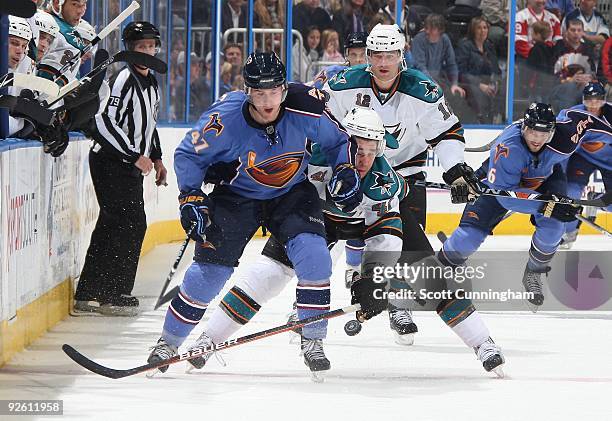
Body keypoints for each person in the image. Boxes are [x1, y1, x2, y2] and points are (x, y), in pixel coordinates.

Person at [147, 52, 361, 380]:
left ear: (284, 90)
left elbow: (337, 142)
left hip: (291, 193)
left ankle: (313, 340)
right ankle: (169, 342)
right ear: (247, 91)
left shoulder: (307, 105)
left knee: (316, 257)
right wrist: (190, 196)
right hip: (236, 197)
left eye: (274, 91)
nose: (267, 101)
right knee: (208, 274)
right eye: (259, 93)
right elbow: (189, 154)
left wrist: (345, 168)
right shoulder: (225, 119)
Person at [322, 25, 505, 370]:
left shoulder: (421, 89)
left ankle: (480, 340)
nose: (383, 62)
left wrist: (454, 169)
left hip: (401, 181)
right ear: (369, 57)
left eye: (390, 55)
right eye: (376, 55)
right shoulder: (344, 85)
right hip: (350, 178)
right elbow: (315, 124)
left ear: (401, 56)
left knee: (421, 265)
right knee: (309, 244)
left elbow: (448, 132)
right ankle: (308, 312)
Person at [181, 107, 406, 378]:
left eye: (373, 151)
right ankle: (209, 339)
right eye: (358, 151)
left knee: (329, 273)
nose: (364, 160)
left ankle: (313, 340)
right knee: (266, 275)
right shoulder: (311, 153)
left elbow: (385, 234)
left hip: (354, 226)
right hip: (307, 218)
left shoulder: (384, 182)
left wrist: (375, 277)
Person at [438, 103, 593, 312]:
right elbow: (507, 199)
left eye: (543, 134)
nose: (536, 139)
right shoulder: (508, 148)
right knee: (468, 238)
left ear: (553, 132)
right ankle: (437, 271)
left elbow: (596, 123)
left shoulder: (567, 134)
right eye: (532, 132)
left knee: (555, 229)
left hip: (545, 178)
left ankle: (534, 272)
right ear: (523, 128)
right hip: (498, 185)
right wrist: (547, 207)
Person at [74, 21, 168, 316]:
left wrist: (156, 157)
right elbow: (102, 122)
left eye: (151, 46)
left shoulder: (151, 81)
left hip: (127, 164)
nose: (147, 51)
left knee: (112, 223)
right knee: (131, 223)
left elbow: (148, 125)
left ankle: (89, 291)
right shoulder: (123, 78)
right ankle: (113, 293)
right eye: (141, 47)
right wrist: (132, 155)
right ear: (130, 50)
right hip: (110, 162)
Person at [561, 82, 612, 248]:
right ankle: (569, 233)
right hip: (583, 159)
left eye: (598, 99)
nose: (593, 104)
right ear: (583, 100)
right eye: (589, 99)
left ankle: (595, 202)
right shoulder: (573, 114)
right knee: (571, 192)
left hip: (610, 164)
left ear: (604, 100)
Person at [456, 16, 503, 123]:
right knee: (477, 93)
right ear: (473, 30)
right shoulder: (465, 46)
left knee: (504, 90)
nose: (483, 31)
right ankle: (479, 121)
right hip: (470, 84)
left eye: (485, 28)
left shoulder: (489, 46)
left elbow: (497, 70)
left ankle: (498, 120)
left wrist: (496, 83)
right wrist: (480, 85)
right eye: (479, 28)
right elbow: (461, 72)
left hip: (488, 84)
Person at [38, 0, 88, 86]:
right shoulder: (69, 37)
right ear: (57, 3)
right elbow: (47, 91)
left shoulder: (36, 15)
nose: (80, 11)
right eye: (75, 4)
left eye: (84, 4)